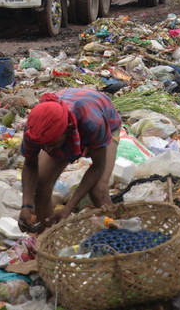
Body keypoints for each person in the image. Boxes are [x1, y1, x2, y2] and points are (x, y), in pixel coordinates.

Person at [19, 88, 122, 232]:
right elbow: (30, 165)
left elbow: (98, 166)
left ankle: (117, 237)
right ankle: (48, 239)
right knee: (41, 185)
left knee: (98, 190)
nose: (48, 151)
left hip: (104, 119)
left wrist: (69, 207)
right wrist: (27, 205)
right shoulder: (36, 127)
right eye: (44, 146)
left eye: (53, 144)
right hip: (64, 117)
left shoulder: (93, 122)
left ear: (67, 129)